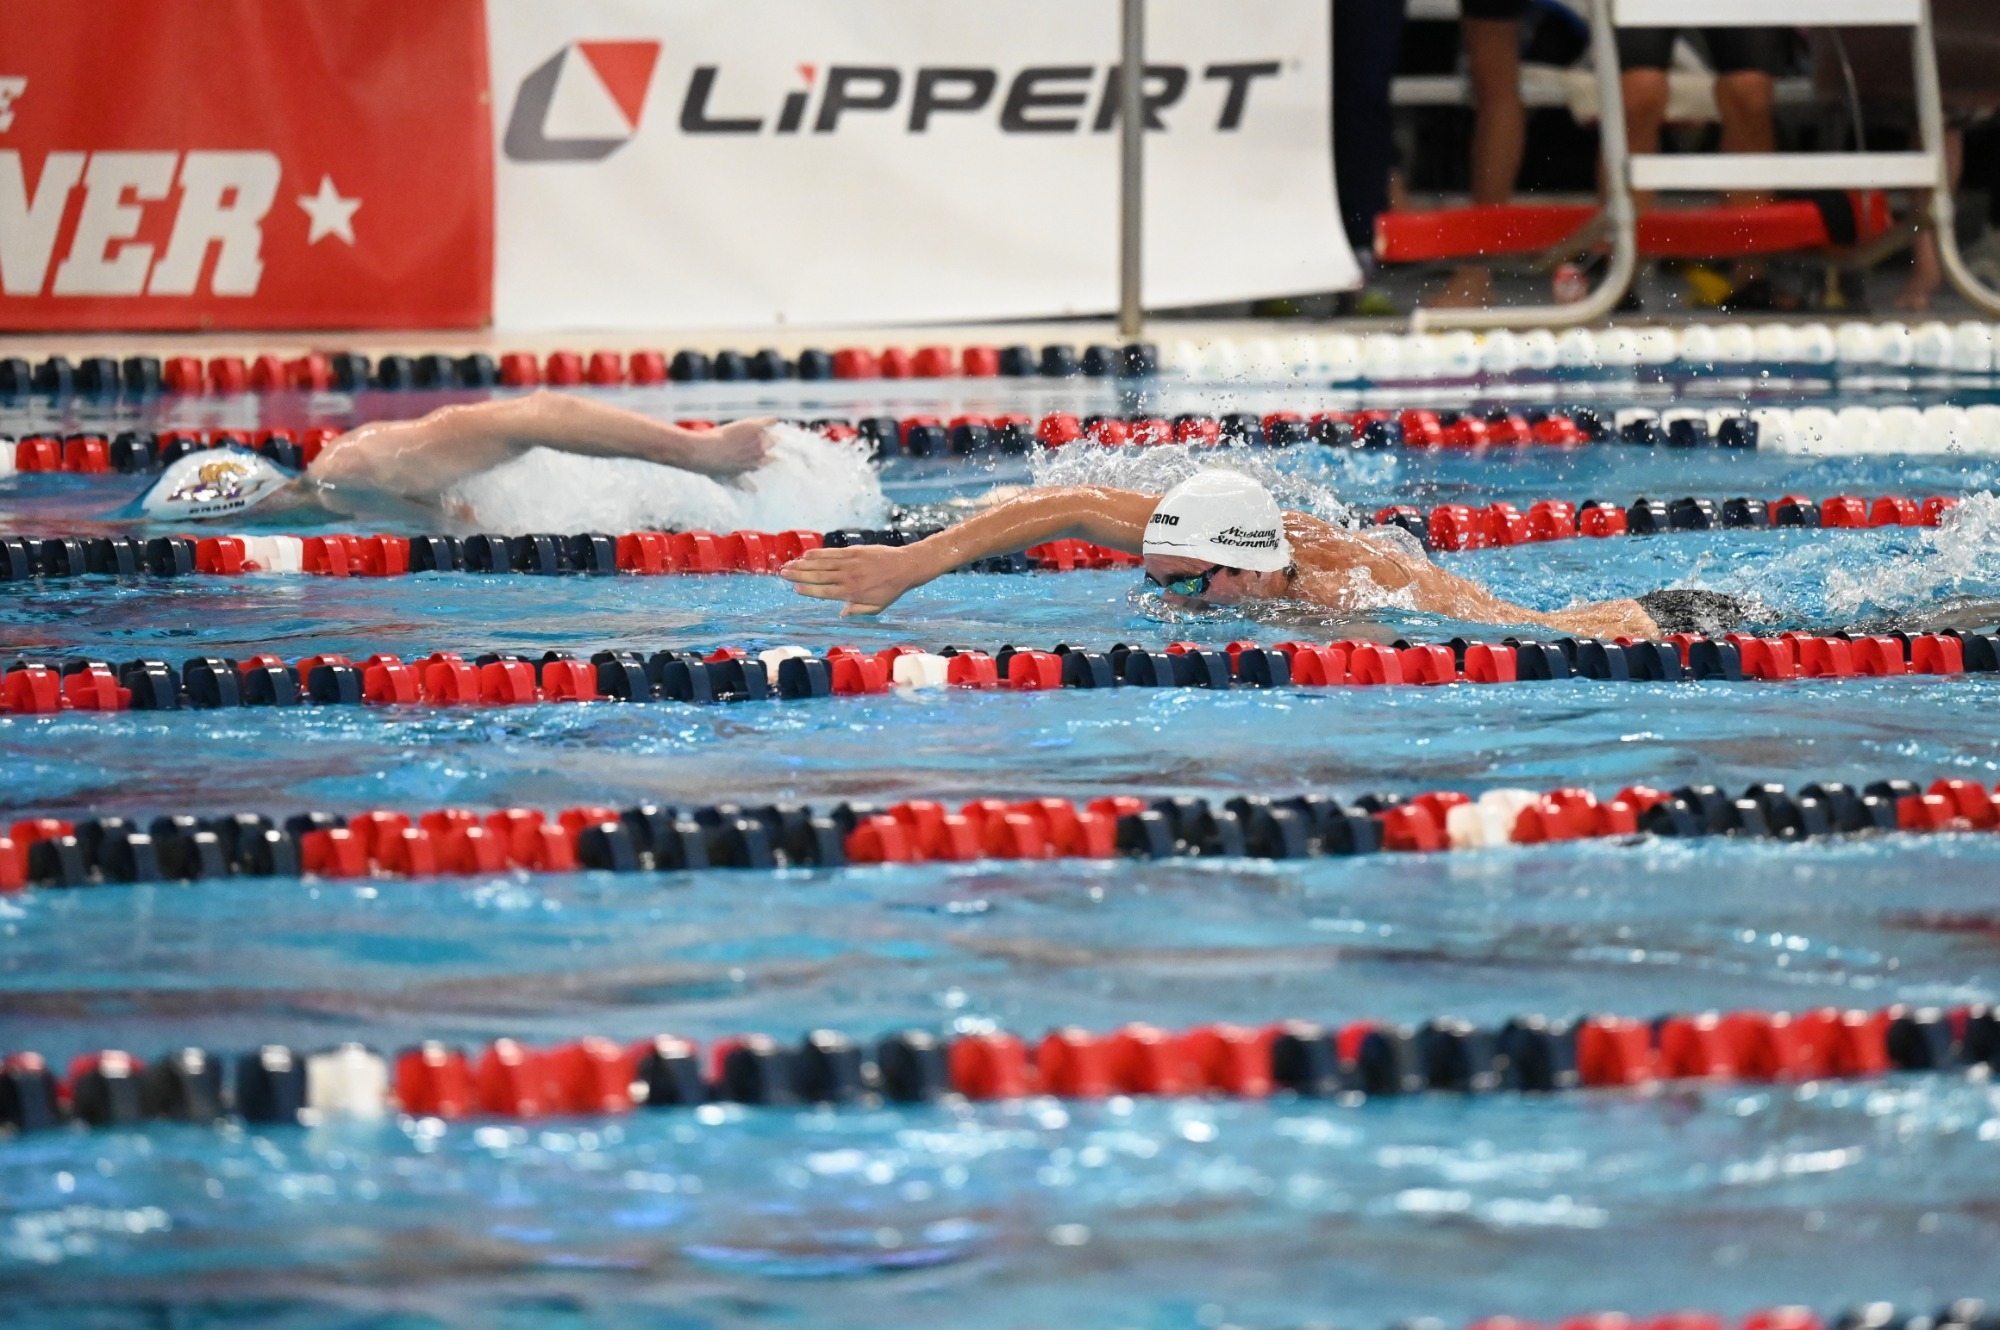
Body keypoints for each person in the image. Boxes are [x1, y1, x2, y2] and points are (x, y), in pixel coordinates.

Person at [781, 468, 1742, 639]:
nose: (1164, 602)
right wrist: (912, 562)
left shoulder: (1348, 595)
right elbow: (1067, 506)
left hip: (1635, 625)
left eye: (1182, 591)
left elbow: (1514, 643)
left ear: (1242, 570)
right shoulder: (1203, 534)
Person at [131, 392, 884, 535]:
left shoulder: (354, 467)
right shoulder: (348, 521)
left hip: (694, 510)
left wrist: (701, 454)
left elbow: (535, 414)